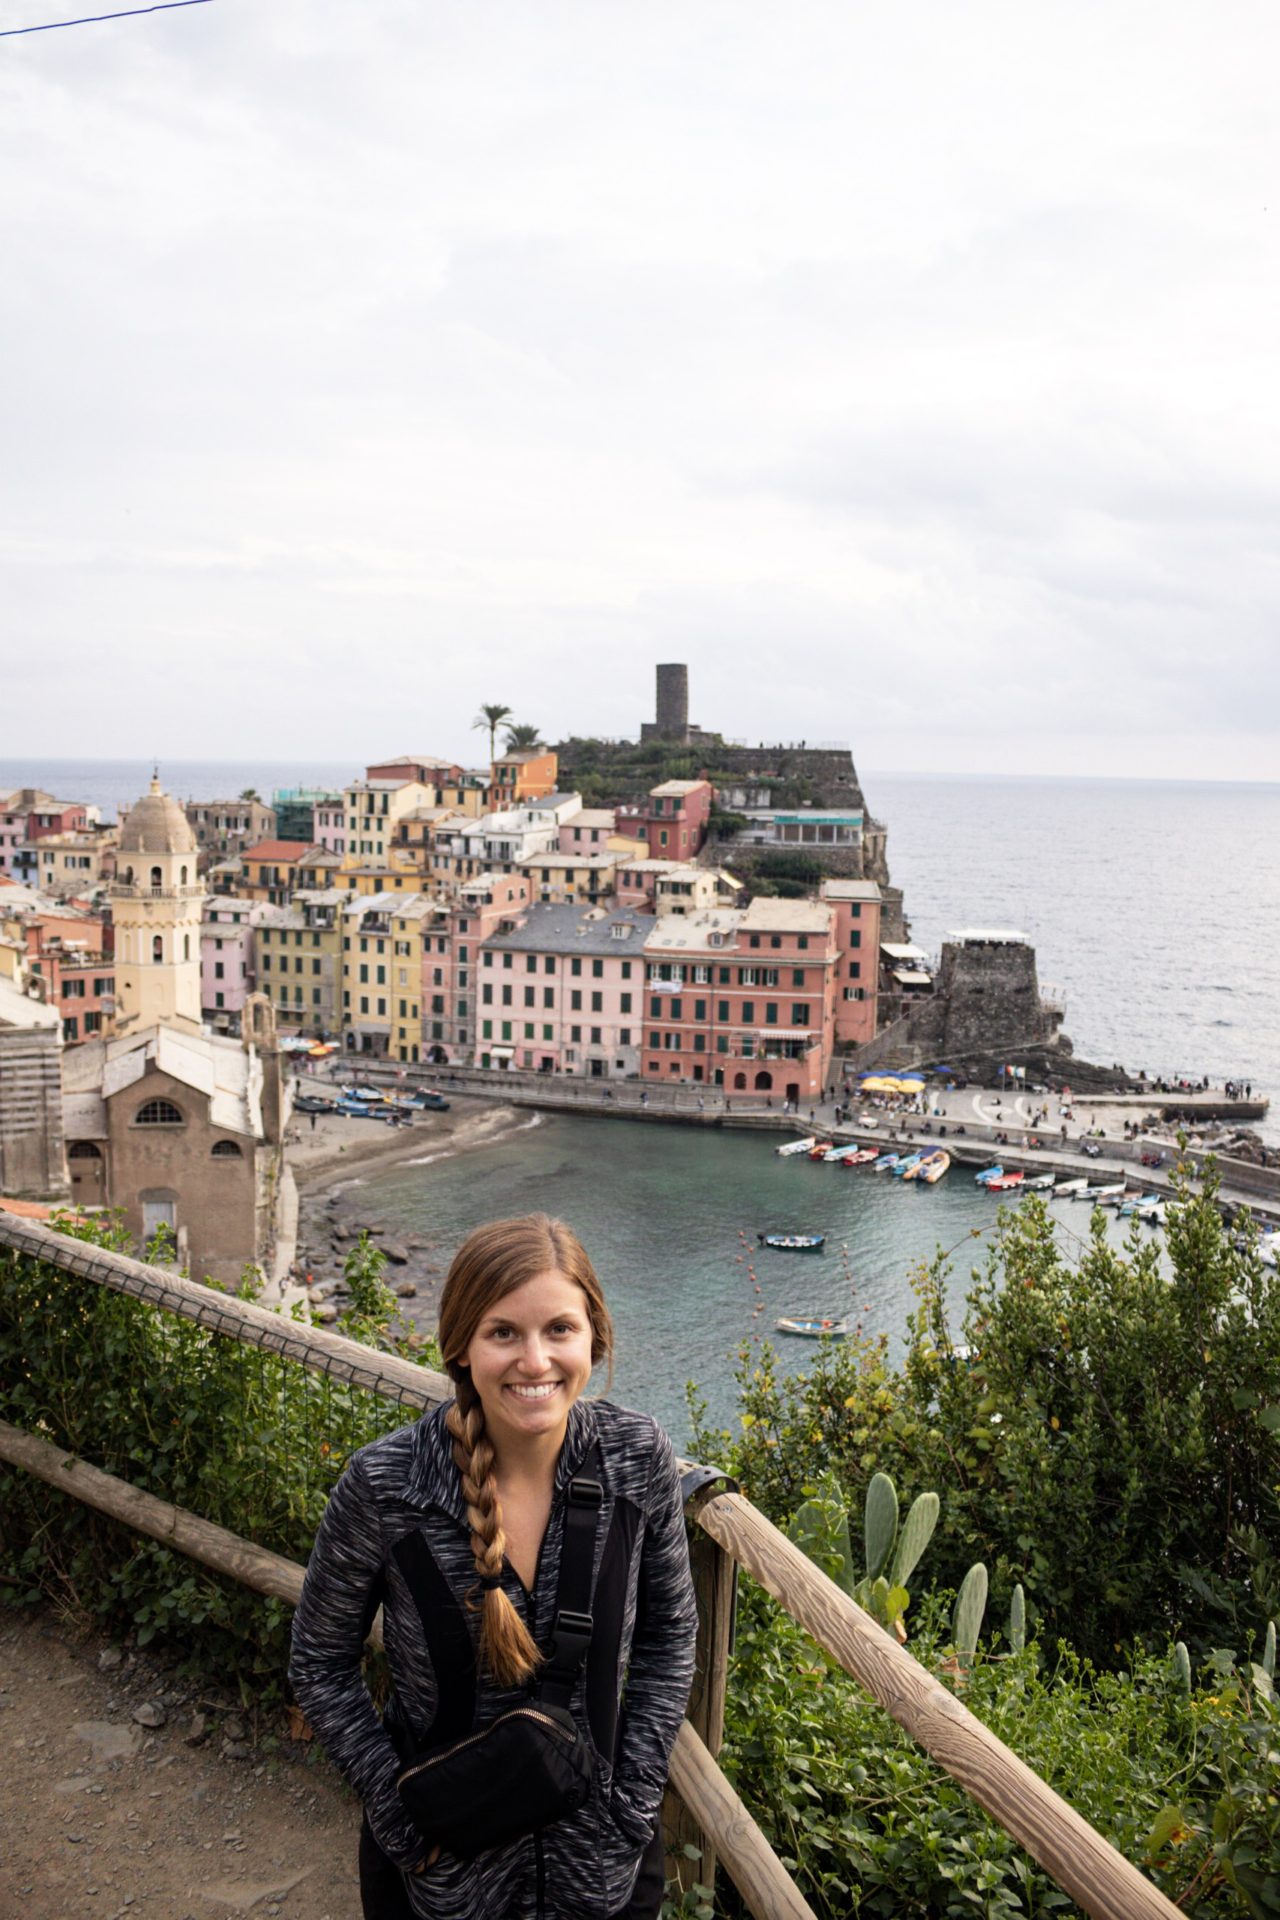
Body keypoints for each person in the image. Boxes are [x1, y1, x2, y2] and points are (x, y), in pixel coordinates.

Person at [289, 1214, 697, 1920]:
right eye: (503, 1332)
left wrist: (631, 1807)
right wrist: (401, 1819)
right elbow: (319, 1661)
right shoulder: (386, 1488)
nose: (535, 1361)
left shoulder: (636, 1461)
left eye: (559, 1330)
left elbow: (669, 1642)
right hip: (441, 1883)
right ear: (461, 1347)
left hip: (603, 1878)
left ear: (594, 1339)